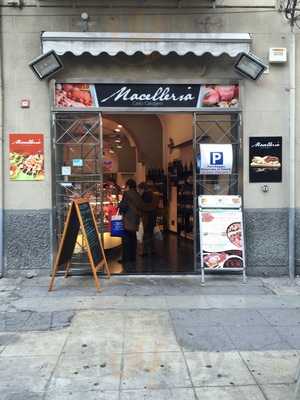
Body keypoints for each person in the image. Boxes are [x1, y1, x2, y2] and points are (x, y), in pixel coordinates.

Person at [119, 179, 157, 270]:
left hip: (128, 219)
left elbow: (123, 206)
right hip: (135, 219)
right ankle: (132, 257)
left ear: (128, 186)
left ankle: (126, 259)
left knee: (126, 239)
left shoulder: (127, 194)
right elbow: (141, 206)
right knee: (133, 238)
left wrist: (119, 206)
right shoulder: (137, 194)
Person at [137, 182, 159, 256]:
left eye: (139, 189)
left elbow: (143, 206)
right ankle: (153, 250)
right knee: (151, 233)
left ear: (142, 189)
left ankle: (145, 251)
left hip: (147, 216)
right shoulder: (153, 194)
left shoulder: (145, 196)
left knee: (146, 233)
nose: (139, 191)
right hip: (153, 216)